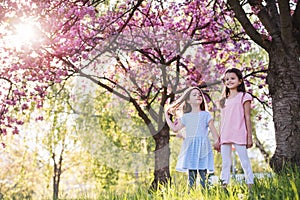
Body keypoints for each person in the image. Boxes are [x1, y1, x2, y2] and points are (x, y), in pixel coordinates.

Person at [164, 86, 220, 190]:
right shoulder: (185, 117)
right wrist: (167, 116)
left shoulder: (205, 115)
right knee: (191, 176)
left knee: (203, 174)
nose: (198, 96)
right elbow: (175, 128)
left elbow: (213, 131)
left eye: (199, 95)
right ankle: (191, 195)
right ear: (188, 100)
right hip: (190, 148)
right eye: (194, 95)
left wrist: (217, 141)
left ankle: (205, 194)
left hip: (203, 147)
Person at [219, 68, 254, 188]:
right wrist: (219, 138)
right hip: (225, 135)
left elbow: (247, 117)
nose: (229, 81)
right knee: (225, 163)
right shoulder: (223, 101)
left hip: (239, 133)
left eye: (232, 78)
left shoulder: (245, 96)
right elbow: (222, 121)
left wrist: (249, 137)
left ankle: (250, 186)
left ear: (240, 81)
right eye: (227, 79)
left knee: (244, 162)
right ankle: (223, 187)